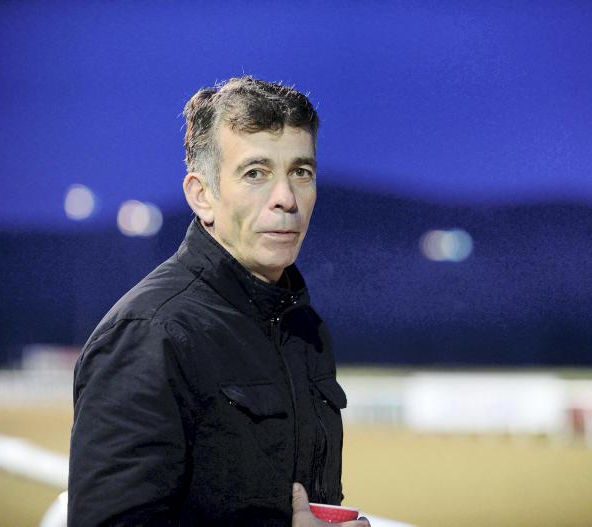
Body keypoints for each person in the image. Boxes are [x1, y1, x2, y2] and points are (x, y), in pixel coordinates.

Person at [68, 77, 369, 527]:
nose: (286, 199)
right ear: (202, 195)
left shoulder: (305, 328)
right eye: (255, 174)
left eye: (301, 172)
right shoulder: (150, 334)